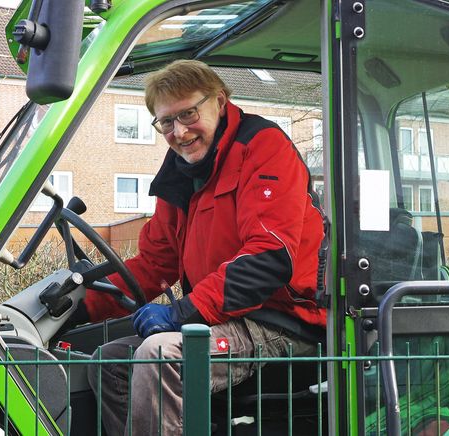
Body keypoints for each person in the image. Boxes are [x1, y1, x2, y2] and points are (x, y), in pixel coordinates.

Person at [78, 60, 326, 435]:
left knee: (161, 355)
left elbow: (269, 257)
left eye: (188, 114)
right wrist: (82, 306)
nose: (179, 132)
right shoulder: (182, 174)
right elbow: (155, 263)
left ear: (220, 101)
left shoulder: (262, 147)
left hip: (281, 319)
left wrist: (185, 312)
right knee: (109, 360)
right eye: (166, 122)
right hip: (224, 317)